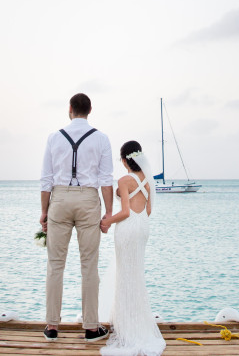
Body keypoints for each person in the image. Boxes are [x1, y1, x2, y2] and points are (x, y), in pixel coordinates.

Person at [40, 93, 113, 343]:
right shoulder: (101, 138)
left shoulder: (54, 137)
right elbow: (106, 180)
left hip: (59, 199)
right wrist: (109, 213)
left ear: (70, 109)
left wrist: (44, 211)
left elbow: (46, 179)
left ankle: (52, 326)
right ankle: (91, 328)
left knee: (55, 264)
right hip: (88, 199)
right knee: (89, 265)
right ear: (90, 109)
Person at [98, 140, 166, 356]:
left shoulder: (125, 180)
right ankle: (137, 323)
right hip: (143, 228)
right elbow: (147, 210)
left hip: (127, 229)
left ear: (124, 159)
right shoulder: (148, 180)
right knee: (136, 274)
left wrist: (107, 222)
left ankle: (127, 327)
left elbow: (125, 212)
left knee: (125, 275)